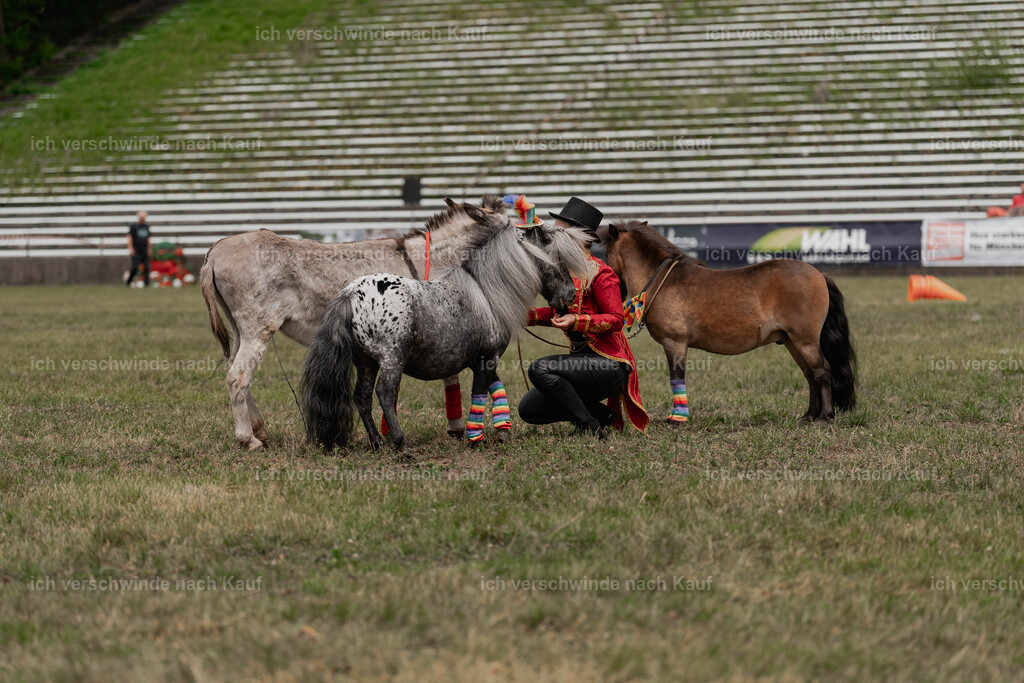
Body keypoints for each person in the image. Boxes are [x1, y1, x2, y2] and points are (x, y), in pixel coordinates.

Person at [518, 197, 649, 438]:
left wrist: (577, 322)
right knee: (529, 410)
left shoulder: (601, 272)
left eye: (560, 231)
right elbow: (560, 314)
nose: (554, 236)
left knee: (540, 368)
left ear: (578, 236)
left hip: (609, 366)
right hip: (582, 365)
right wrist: (525, 316)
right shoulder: (566, 271)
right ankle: (601, 416)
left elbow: (616, 319)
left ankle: (588, 426)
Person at [126, 211, 152, 287]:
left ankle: (146, 284)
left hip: (144, 250)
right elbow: (130, 238)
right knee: (135, 267)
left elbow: (148, 239)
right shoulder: (133, 227)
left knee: (147, 267)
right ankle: (129, 281)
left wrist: (149, 249)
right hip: (136, 250)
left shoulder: (146, 227)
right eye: (142, 217)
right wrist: (130, 248)